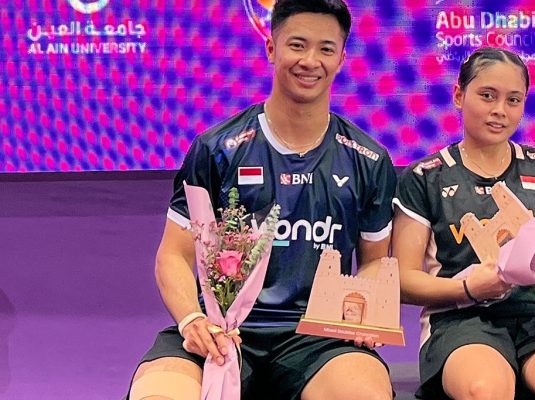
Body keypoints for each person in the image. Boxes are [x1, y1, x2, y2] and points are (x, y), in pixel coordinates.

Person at [128, 1, 397, 399]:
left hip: (319, 340)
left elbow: (374, 261)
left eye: (325, 49)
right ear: (271, 49)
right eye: (297, 45)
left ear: (341, 58)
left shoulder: (369, 159)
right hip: (222, 330)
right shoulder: (217, 149)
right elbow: (174, 254)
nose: (310, 61)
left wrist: (361, 314)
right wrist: (191, 320)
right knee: (158, 393)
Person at [392, 47, 535, 400]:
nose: (500, 110)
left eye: (513, 100)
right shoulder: (425, 177)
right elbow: (402, 280)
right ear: (459, 95)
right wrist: (468, 289)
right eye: (487, 96)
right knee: (487, 389)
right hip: (460, 318)